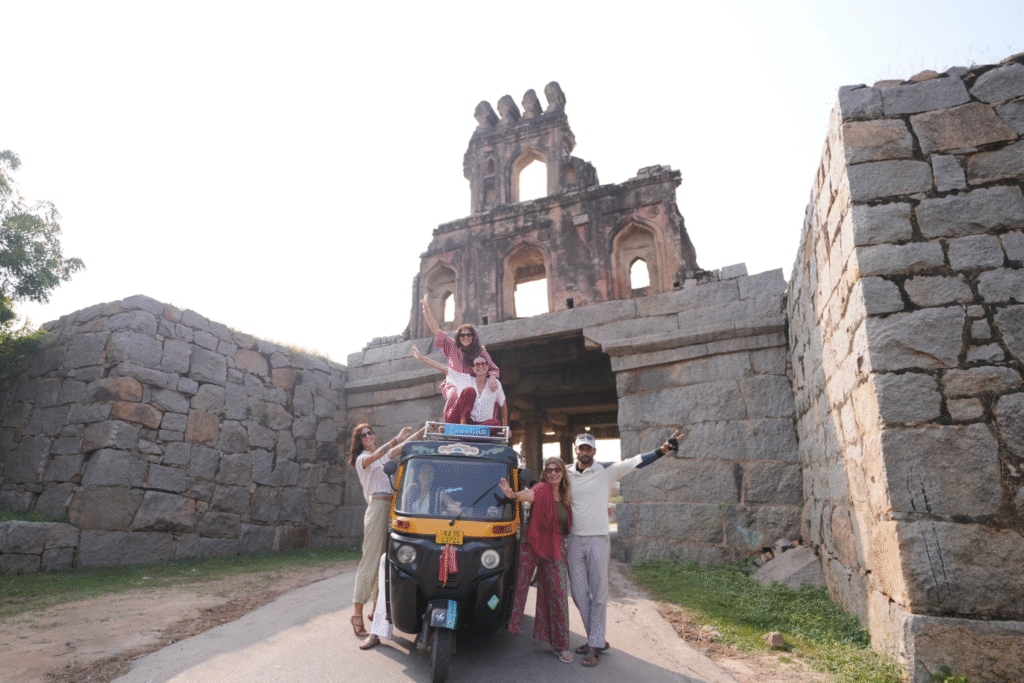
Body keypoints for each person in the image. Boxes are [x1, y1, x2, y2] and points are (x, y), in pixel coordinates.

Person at [566, 429, 683, 667]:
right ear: (575, 450)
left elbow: (635, 462)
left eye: (589, 448)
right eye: (581, 448)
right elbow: (548, 493)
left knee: (598, 594)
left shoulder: (606, 470)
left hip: (599, 539)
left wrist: (662, 450)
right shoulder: (565, 473)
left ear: (594, 451)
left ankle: (594, 643)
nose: (585, 452)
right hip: (575, 540)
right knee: (579, 595)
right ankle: (595, 639)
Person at [349, 423, 422, 638]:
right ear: (359, 440)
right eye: (364, 435)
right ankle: (356, 613)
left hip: (391, 508)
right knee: (370, 560)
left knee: (386, 560)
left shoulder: (382, 456)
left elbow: (401, 448)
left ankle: (375, 609)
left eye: (370, 432)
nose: (369, 436)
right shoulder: (362, 458)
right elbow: (381, 453)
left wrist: (421, 432)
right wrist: (394, 439)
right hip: (378, 506)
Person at [498, 457, 574, 663]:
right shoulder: (541, 488)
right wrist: (513, 495)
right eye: (549, 470)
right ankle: (507, 627)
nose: (553, 473)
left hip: (555, 546)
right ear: (545, 473)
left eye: (557, 469)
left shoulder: (566, 494)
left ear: (562, 472)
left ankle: (560, 645)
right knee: (517, 586)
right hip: (531, 542)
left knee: (558, 596)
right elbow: (528, 495)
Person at [419, 296, 500, 417]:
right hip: (455, 383)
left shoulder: (480, 352)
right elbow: (435, 328)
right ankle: (449, 423)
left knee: (489, 397)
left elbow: (493, 369)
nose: (465, 337)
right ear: (458, 336)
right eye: (462, 335)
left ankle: (484, 425)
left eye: (468, 334)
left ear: (473, 336)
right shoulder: (452, 346)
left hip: (473, 384)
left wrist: (492, 379)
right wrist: (426, 309)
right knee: (453, 397)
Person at [410, 345, 507, 426]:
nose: (480, 366)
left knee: (496, 424)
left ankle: (468, 432)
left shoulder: (494, 384)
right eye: (477, 364)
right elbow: (442, 368)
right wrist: (421, 358)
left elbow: (503, 404)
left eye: (483, 364)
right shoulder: (466, 379)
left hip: (479, 426)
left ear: (488, 366)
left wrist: (505, 428)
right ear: (473, 368)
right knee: (469, 391)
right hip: (462, 421)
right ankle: (463, 428)